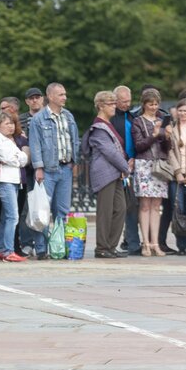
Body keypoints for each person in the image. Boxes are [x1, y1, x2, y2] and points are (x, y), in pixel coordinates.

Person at [29, 83, 80, 260]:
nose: (64, 97)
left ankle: (59, 247)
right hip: (48, 170)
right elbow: (35, 145)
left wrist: (75, 161)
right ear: (50, 96)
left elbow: (74, 140)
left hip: (65, 168)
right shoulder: (39, 119)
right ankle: (42, 249)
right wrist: (39, 168)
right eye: (60, 94)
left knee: (63, 211)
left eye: (65, 94)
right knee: (42, 212)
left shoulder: (68, 116)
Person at [83, 91, 131, 258]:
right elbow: (110, 152)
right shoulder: (99, 127)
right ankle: (102, 247)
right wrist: (126, 168)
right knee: (105, 211)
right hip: (105, 173)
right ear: (101, 106)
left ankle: (111, 246)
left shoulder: (108, 124)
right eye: (111, 104)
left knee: (121, 208)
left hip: (115, 172)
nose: (114, 106)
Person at [132, 88, 172, 256]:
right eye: (150, 104)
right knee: (145, 205)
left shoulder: (162, 120)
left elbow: (167, 149)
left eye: (156, 104)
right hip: (144, 164)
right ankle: (145, 243)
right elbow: (139, 146)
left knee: (156, 206)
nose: (154, 107)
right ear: (144, 104)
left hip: (159, 164)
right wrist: (155, 135)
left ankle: (155, 243)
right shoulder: (138, 122)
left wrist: (167, 137)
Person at [0, 111, 29, 262]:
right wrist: (17, 158)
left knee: (7, 217)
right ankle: (8, 250)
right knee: (13, 216)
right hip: (4, 180)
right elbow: (8, 158)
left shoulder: (8, 140)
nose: (11, 127)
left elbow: (23, 159)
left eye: (12, 123)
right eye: (7, 124)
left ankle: (1, 248)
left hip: (13, 179)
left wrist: (16, 158)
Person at [111, 85, 140, 255]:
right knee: (119, 207)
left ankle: (133, 243)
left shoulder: (132, 116)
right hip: (117, 167)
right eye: (123, 101)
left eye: (129, 101)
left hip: (132, 165)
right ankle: (114, 242)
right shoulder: (112, 118)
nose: (127, 104)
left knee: (132, 205)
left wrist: (134, 158)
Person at [166, 98, 186, 254]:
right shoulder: (171, 129)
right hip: (176, 176)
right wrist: (178, 172)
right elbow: (169, 151)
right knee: (178, 208)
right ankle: (181, 245)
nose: (183, 113)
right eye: (180, 110)